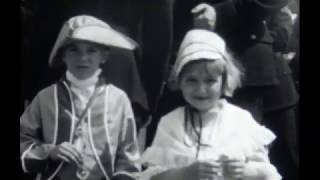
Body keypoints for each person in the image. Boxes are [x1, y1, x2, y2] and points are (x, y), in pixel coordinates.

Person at [139, 29, 281, 180]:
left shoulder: (240, 120)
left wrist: (246, 171)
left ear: (224, 81)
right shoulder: (171, 122)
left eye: (210, 81)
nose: (201, 90)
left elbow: (268, 174)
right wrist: (185, 173)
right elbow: (153, 177)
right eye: (191, 80)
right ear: (179, 81)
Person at [20, 15, 140, 180]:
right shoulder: (45, 97)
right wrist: (50, 151)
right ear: (63, 55)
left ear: (104, 56)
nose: (83, 58)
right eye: (74, 50)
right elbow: (22, 139)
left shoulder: (118, 99)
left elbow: (128, 156)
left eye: (91, 50)